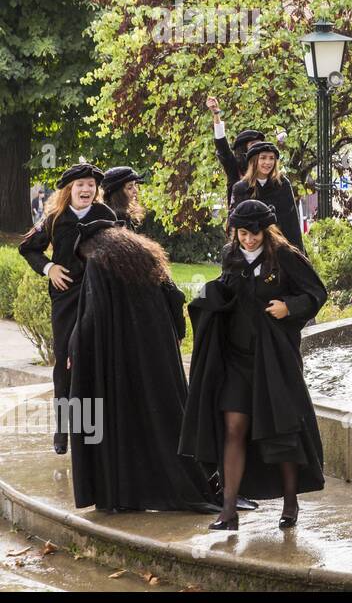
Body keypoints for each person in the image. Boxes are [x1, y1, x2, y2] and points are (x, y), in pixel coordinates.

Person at [180, 200, 328, 531]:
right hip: (236, 360)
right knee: (234, 428)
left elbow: (317, 292)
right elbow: (229, 294)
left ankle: (290, 502)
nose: (248, 240)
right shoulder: (231, 256)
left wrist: (289, 307)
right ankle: (229, 511)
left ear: (267, 229)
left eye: (254, 234)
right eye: (242, 233)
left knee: (281, 431)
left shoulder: (285, 256)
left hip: (274, 361)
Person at [66, 220, 218, 513]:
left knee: (127, 420)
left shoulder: (99, 263)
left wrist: (76, 347)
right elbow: (175, 296)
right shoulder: (146, 255)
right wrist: (175, 333)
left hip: (124, 357)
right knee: (164, 417)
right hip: (159, 353)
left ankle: (127, 493)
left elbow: (93, 313)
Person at [18, 164, 117, 454]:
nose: (86, 189)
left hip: (98, 297)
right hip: (66, 298)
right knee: (65, 362)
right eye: (79, 185)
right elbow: (27, 248)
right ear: (69, 190)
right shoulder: (54, 219)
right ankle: (63, 429)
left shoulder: (106, 217)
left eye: (90, 185)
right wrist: (49, 268)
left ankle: (94, 430)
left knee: (95, 358)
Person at [231, 141, 304, 251]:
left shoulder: (283, 185)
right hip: (251, 247)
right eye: (263, 158)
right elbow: (236, 224)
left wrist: (297, 252)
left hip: (279, 248)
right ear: (254, 160)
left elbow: (292, 223)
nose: (268, 162)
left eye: (271, 158)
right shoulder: (241, 188)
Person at [206, 95, 265, 206]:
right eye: (253, 144)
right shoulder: (235, 169)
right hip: (239, 222)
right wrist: (216, 114)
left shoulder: (267, 170)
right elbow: (222, 147)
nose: (258, 148)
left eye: (260, 144)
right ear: (243, 149)